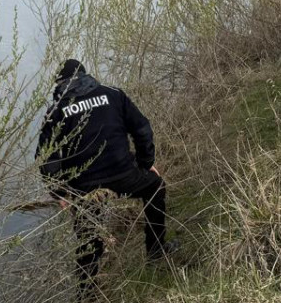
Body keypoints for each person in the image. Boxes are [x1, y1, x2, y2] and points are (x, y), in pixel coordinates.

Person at [36, 58, 177, 288]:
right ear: (85, 75)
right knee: (155, 186)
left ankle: (87, 292)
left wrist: (59, 192)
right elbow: (142, 129)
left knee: (88, 237)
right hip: (124, 174)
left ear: (60, 83)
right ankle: (156, 252)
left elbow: (46, 156)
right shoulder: (113, 94)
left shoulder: (56, 111)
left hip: (84, 186)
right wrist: (145, 162)